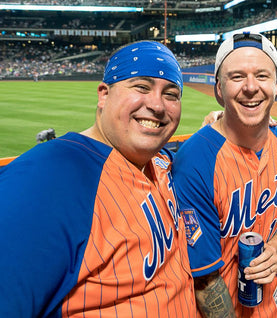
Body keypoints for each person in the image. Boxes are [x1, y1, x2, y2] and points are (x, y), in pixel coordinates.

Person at [0, 41, 197, 317]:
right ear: (103, 95)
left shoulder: (161, 162)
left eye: (171, 94)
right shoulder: (43, 180)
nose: (157, 105)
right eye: (141, 87)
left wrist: (225, 126)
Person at [172, 32, 277, 318]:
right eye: (236, 77)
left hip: (274, 307)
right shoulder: (196, 160)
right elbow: (204, 281)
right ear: (219, 90)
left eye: (261, 75)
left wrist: (276, 247)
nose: (250, 87)